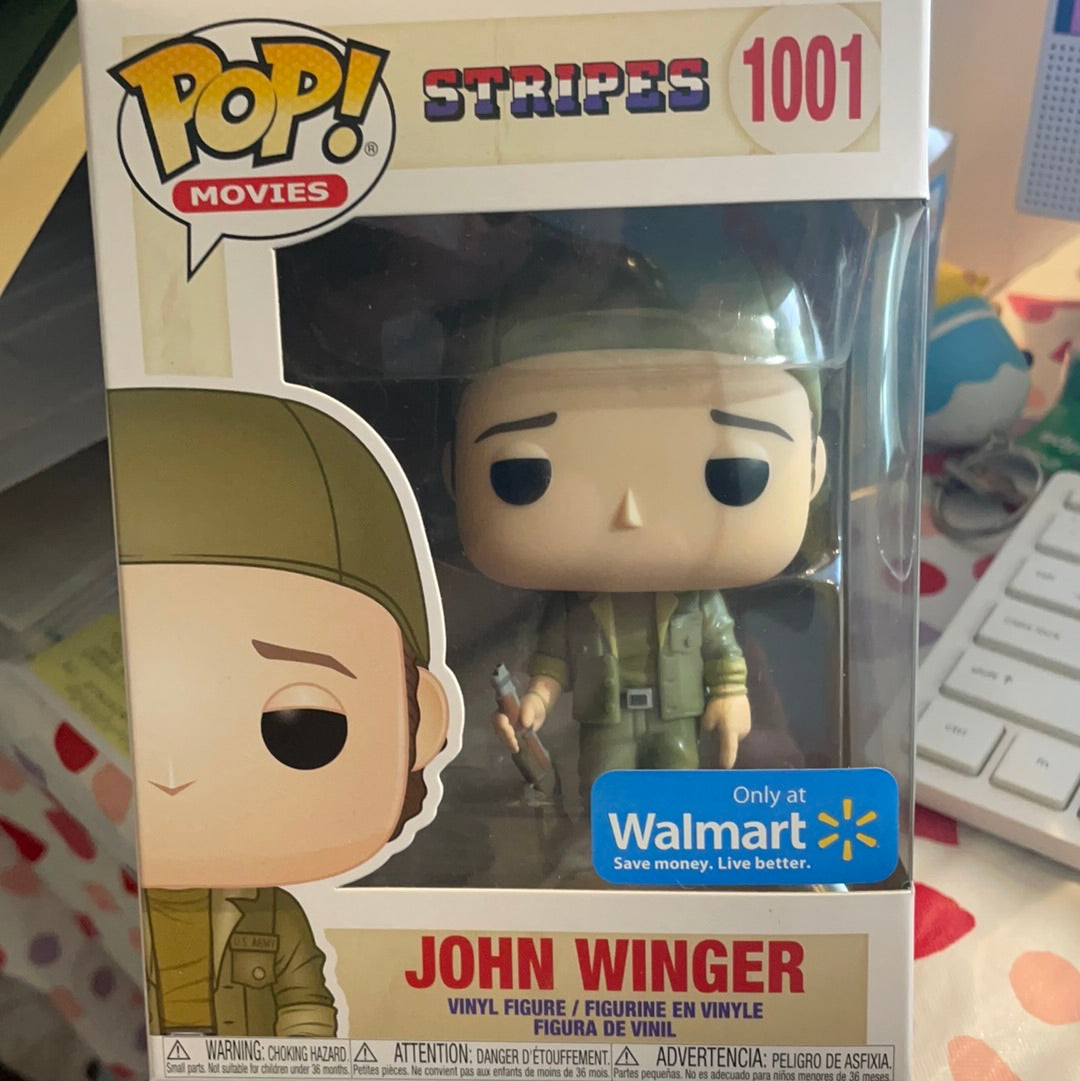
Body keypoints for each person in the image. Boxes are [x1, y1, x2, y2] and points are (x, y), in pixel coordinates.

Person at [108, 388, 454, 1036]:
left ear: (420, 722)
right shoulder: (89, 891)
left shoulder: (274, 917)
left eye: (301, 727)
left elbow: (306, 1004)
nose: (173, 774)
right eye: (122, 709)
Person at [451, 252, 826, 803]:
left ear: (813, 469)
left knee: (678, 794)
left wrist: (731, 695)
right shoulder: (575, 607)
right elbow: (553, 661)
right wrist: (536, 700)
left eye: (734, 475)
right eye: (524, 477)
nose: (630, 514)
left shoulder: (697, 601)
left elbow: (722, 647)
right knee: (605, 795)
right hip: (606, 720)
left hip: (675, 717)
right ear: (453, 471)